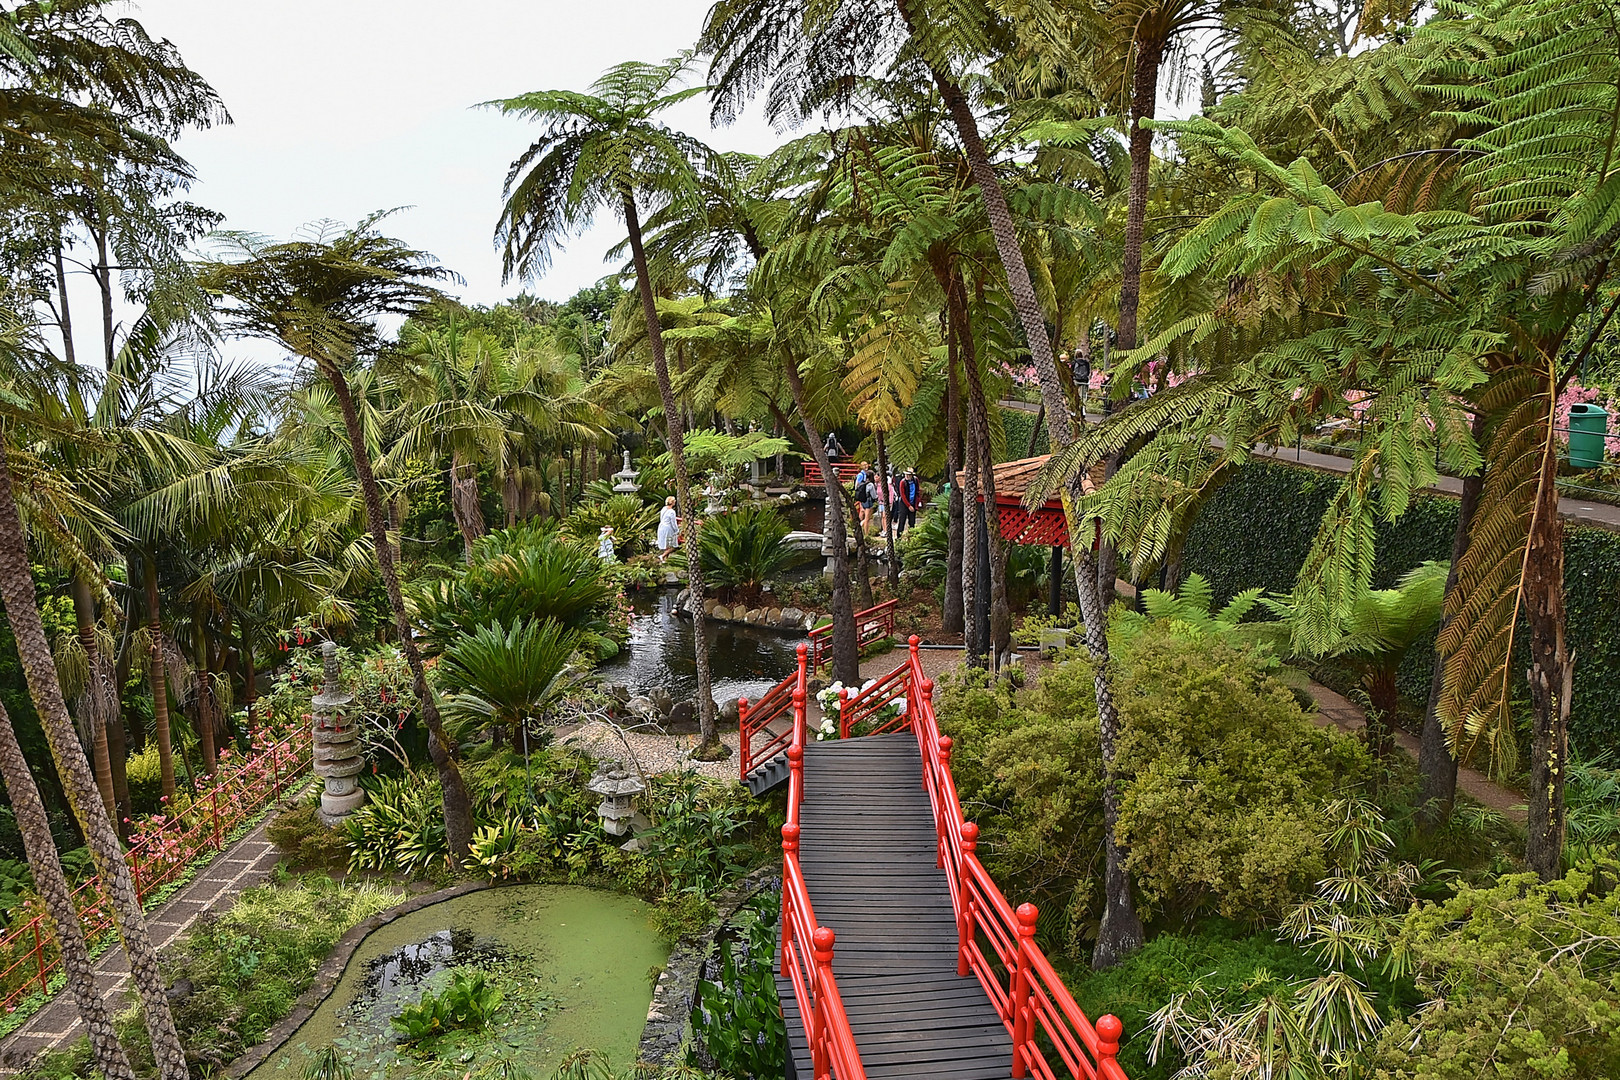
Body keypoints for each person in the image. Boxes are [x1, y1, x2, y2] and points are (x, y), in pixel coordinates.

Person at [896, 468, 921, 535]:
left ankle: (912, 536)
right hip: (904, 504)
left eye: (909, 475)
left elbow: (918, 491)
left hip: (913, 502)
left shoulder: (915, 480)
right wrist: (908, 505)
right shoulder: (903, 482)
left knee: (912, 522)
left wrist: (917, 503)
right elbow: (902, 495)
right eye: (906, 474)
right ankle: (899, 537)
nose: (907, 476)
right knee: (902, 521)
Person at [656, 496, 680, 562]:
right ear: (672, 502)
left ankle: (665, 559)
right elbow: (673, 522)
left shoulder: (664, 509)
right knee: (672, 546)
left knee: (666, 544)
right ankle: (662, 556)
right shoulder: (671, 512)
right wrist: (677, 530)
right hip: (668, 529)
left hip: (662, 527)